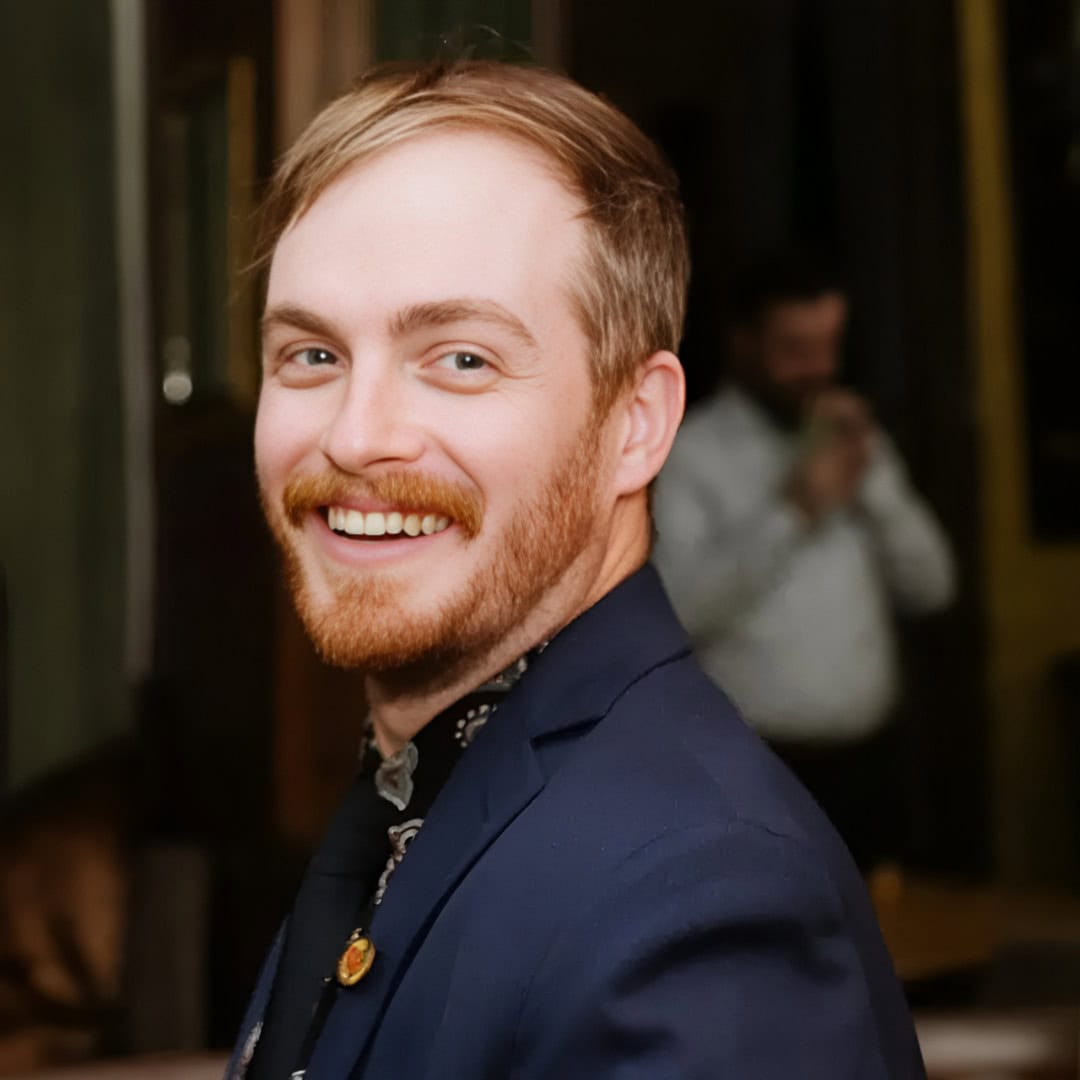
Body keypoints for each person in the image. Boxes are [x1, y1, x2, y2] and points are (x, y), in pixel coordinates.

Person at [228, 62, 925, 1079]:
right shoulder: (423, 780)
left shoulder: (700, 897)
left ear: (635, 424)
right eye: (311, 357)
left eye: (461, 358)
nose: (357, 435)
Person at [654, 256, 955, 871]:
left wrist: (874, 486)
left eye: (827, 346)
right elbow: (675, 614)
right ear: (744, 343)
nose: (818, 369)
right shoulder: (689, 455)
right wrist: (793, 510)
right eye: (795, 349)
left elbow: (933, 588)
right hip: (753, 772)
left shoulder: (857, 440)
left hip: (873, 768)